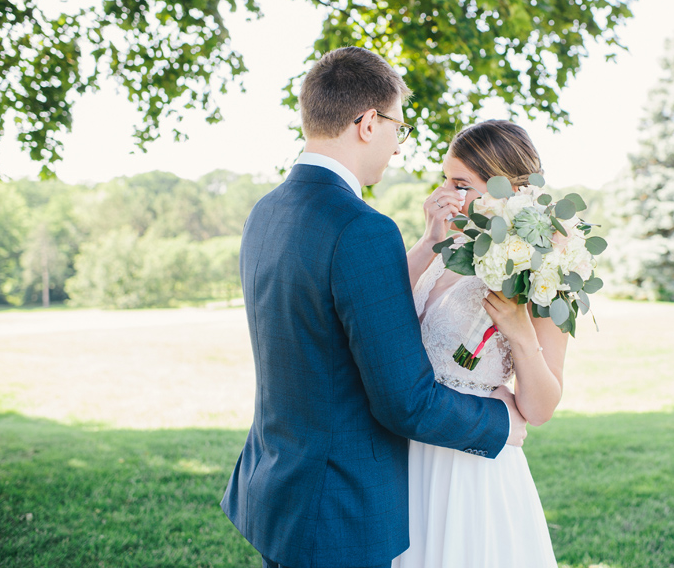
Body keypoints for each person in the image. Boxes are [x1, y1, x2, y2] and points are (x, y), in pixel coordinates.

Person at [220, 47, 528, 568]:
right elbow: (403, 401)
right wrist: (500, 425)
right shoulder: (362, 227)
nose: (396, 146)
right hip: (337, 507)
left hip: (277, 489)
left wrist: (431, 239)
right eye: (396, 128)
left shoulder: (266, 211)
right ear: (367, 122)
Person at [393, 120, 568, 568]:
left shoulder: (540, 268)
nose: (446, 194)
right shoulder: (447, 244)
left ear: (507, 188)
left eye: (460, 184)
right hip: (405, 453)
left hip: (470, 465)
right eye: (445, 179)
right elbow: (385, 305)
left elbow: (542, 409)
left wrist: (520, 333)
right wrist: (430, 237)